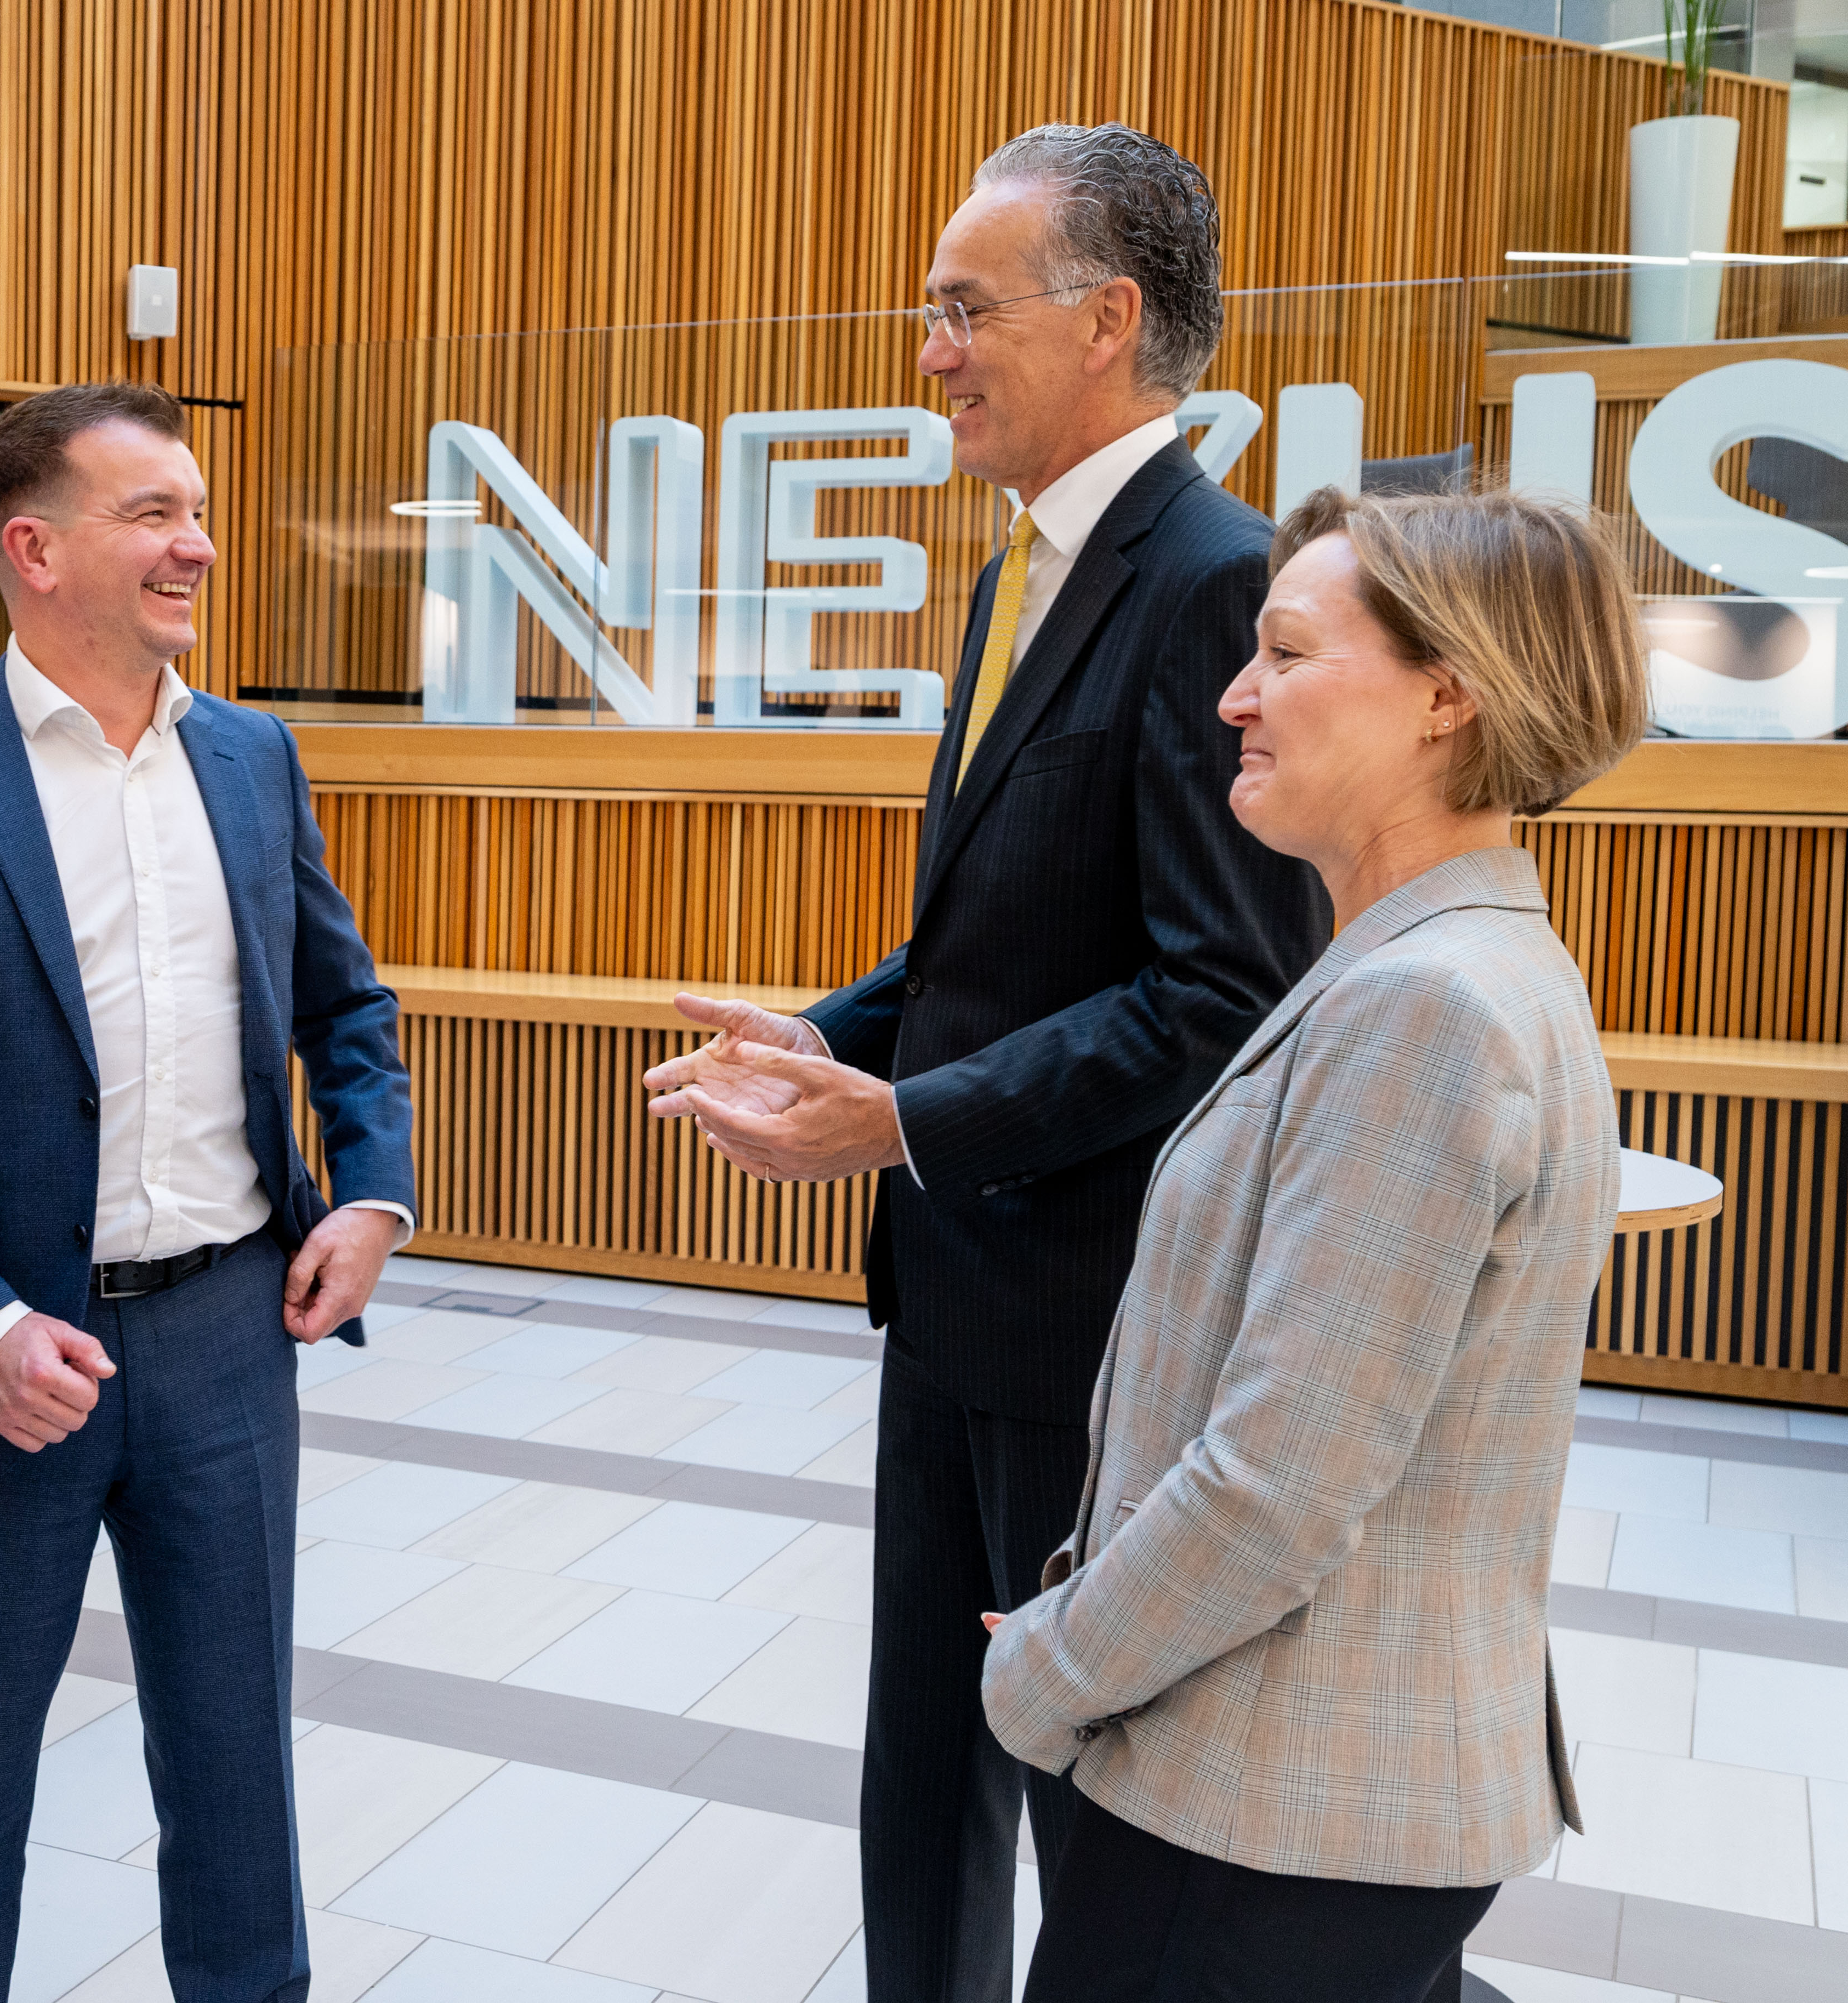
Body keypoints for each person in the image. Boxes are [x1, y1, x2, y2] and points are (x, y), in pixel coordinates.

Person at [642, 124, 1330, 2000]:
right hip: (954, 1292)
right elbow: (1004, 933)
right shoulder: (1020, 564)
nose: (930, 350)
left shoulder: (1212, 582)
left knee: (1083, 1800)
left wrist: (902, 1119)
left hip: (1089, 1324)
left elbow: (1216, 987)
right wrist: (837, 1032)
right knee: (923, 1768)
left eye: (964, 309)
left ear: (1107, 320)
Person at [0, 382, 415, 2003]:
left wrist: (369, 1192)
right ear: (31, 545)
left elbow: (342, 1007)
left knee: (231, 1768)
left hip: (222, 1331)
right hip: (0, 1364)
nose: (195, 544)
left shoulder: (253, 758)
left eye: (195, 511)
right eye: (153, 513)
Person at [980, 487, 1649, 2001]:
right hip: (1302, 1791)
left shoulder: (1427, 1006)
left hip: (1270, 1813)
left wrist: (1045, 1666)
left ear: (1445, 696)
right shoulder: (1439, 964)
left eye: (1284, 651)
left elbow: (1276, 1485)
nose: (1235, 693)